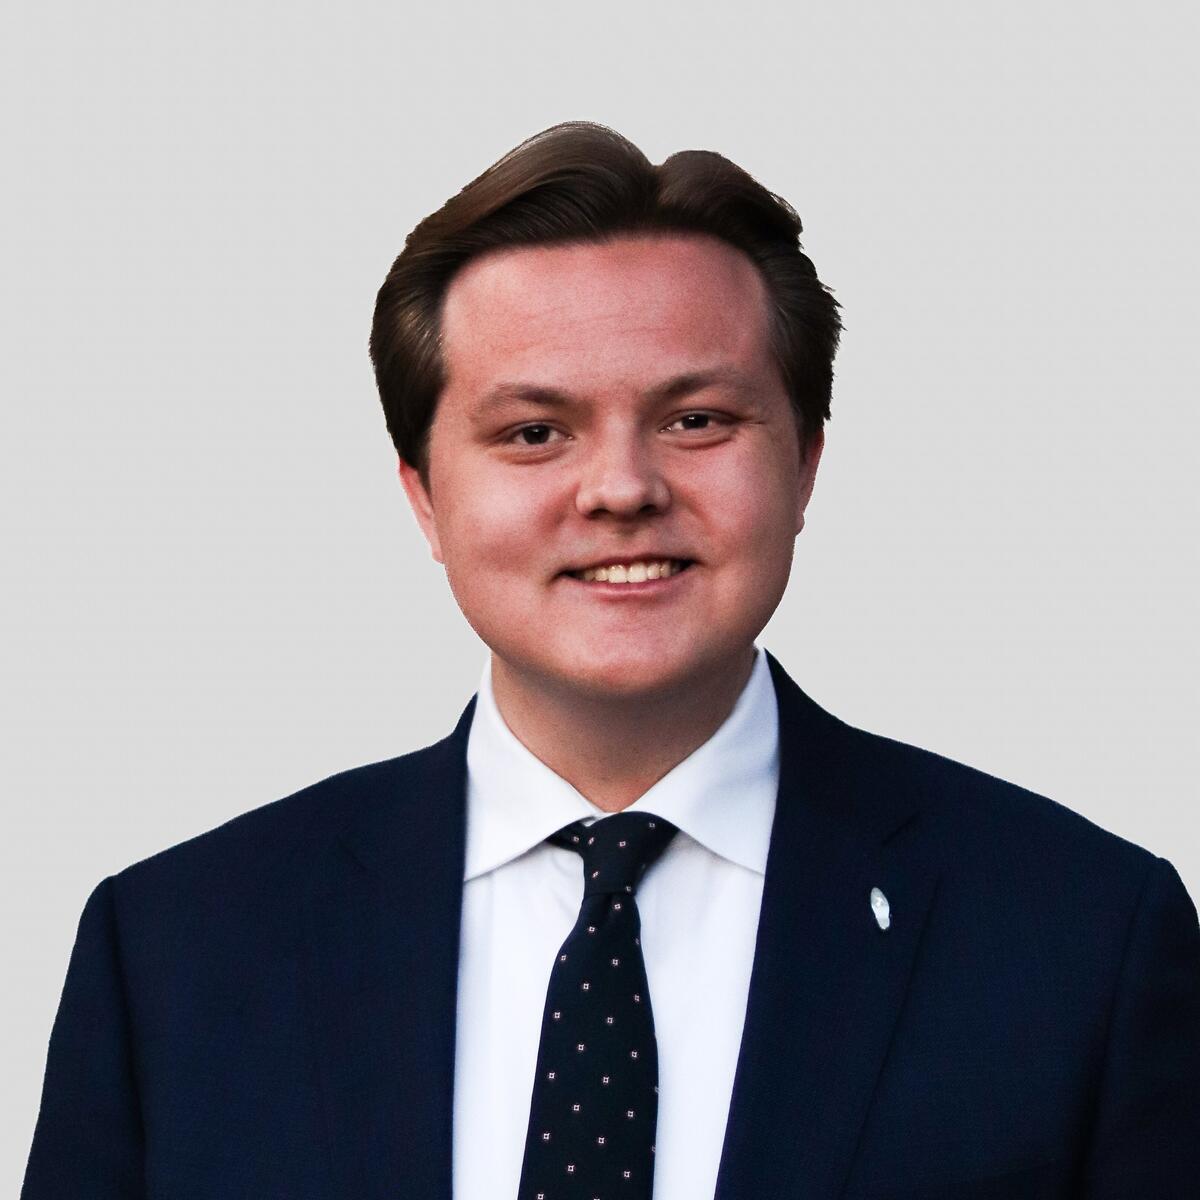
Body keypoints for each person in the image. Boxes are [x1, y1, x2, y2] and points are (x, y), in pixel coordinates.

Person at [21, 121, 1200, 1199]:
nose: (623, 488)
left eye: (697, 421)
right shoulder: (175, 949)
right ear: (424, 498)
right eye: (534, 432)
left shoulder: (1083, 937)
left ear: (805, 466)